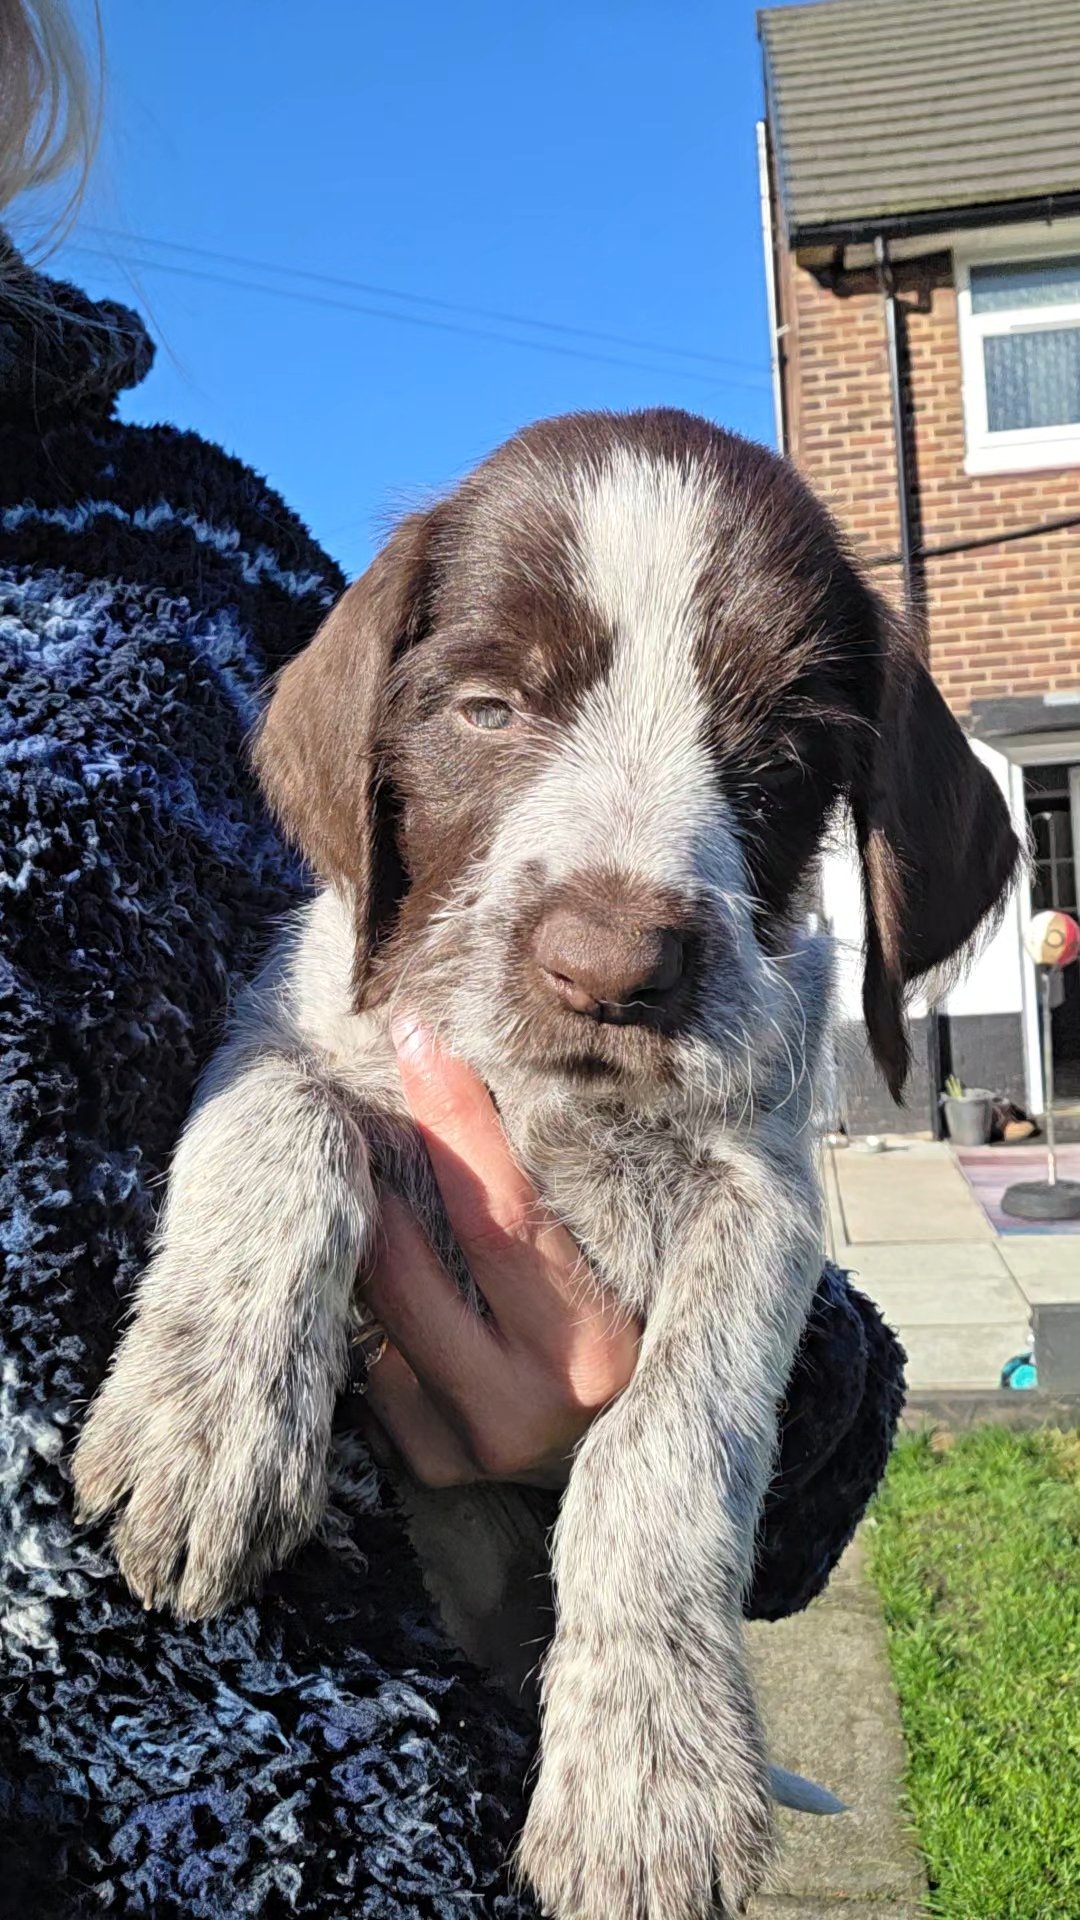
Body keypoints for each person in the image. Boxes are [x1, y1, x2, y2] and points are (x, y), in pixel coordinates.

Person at [0, 5, 905, 1913]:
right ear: (379, 758)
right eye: (492, 704)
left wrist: (650, 1535)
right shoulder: (315, 706)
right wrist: (255, 1248)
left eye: (764, 758)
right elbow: (298, 1060)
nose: (622, 898)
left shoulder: (189, 558)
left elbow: (763, 1266)